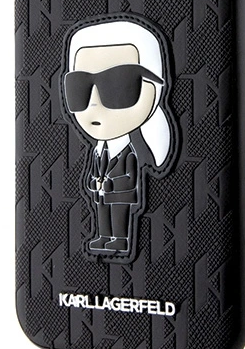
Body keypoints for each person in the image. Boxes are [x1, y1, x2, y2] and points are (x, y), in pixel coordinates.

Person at [63, 18, 173, 256]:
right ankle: (104, 237)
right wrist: (94, 183)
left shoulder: (129, 152)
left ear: (154, 90)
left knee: (118, 217)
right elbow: (95, 171)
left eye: (119, 86)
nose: (94, 102)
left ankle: (120, 240)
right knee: (103, 215)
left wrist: (111, 184)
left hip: (120, 195)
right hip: (101, 194)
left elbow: (129, 176)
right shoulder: (98, 150)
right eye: (79, 87)